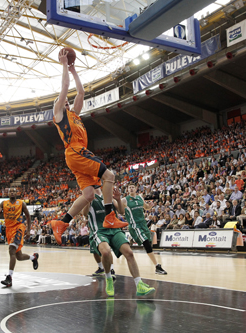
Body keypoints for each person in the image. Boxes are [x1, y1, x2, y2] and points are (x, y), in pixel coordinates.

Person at [49, 49, 127, 244]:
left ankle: (62, 222)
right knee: (109, 175)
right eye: (62, 100)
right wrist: (64, 65)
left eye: (66, 100)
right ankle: (110, 216)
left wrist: (74, 70)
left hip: (78, 155)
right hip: (75, 151)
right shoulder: (59, 114)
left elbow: (81, 92)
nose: (65, 100)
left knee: (90, 194)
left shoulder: (74, 114)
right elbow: (65, 87)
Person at [83, 186, 155, 297]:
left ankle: (139, 284)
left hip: (115, 229)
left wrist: (117, 199)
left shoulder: (108, 196)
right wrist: (87, 199)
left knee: (129, 253)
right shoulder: (89, 196)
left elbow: (121, 211)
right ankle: (109, 279)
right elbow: (84, 213)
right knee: (106, 252)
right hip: (100, 231)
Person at [0, 188, 39, 287]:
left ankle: (9, 277)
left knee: (11, 249)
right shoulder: (3, 203)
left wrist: (27, 230)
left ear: (17, 193)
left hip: (19, 227)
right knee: (18, 256)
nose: (12, 193)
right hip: (9, 230)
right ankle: (33, 257)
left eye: (14, 191)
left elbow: (28, 216)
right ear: (8, 193)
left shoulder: (21, 203)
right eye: (10, 191)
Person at [122, 184, 167, 275]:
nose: (131, 188)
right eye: (129, 187)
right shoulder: (124, 200)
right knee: (146, 243)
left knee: (148, 243)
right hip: (134, 225)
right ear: (127, 189)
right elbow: (119, 209)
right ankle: (157, 266)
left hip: (143, 224)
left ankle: (132, 239)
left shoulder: (140, 198)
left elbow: (146, 207)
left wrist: (150, 206)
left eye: (133, 187)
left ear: (136, 189)